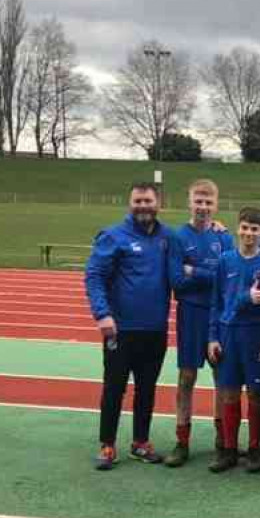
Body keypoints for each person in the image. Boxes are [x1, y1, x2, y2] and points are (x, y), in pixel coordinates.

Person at [85, 181, 174, 470]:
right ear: (130, 202)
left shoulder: (167, 237)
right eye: (137, 201)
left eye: (148, 201)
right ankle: (107, 445)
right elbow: (94, 276)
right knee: (114, 388)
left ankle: (140, 442)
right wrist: (102, 314)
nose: (143, 206)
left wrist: (217, 227)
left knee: (147, 389)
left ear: (158, 203)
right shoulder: (113, 236)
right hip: (121, 330)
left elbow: (195, 242)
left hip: (155, 330)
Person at [166, 179, 234, 467]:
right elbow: (177, 282)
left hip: (219, 316)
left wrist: (196, 270)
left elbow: (227, 279)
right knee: (187, 377)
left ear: (216, 205)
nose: (203, 207)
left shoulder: (225, 237)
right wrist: (210, 275)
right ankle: (182, 441)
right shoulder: (178, 237)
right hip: (191, 314)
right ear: (189, 202)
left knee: (223, 379)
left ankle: (223, 442)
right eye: (198, 201)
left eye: (208, 202)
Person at [207, 207, 260, 474]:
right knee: (228, 392)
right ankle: (228, 449)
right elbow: (215, 301)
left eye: (255, 229)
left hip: (256, 334)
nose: (249, 233)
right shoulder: (225, 260)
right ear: (238, 229)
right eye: (245, 228)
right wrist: (212, 337)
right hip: (228, 335)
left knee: (256, 394)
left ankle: (254, 448)